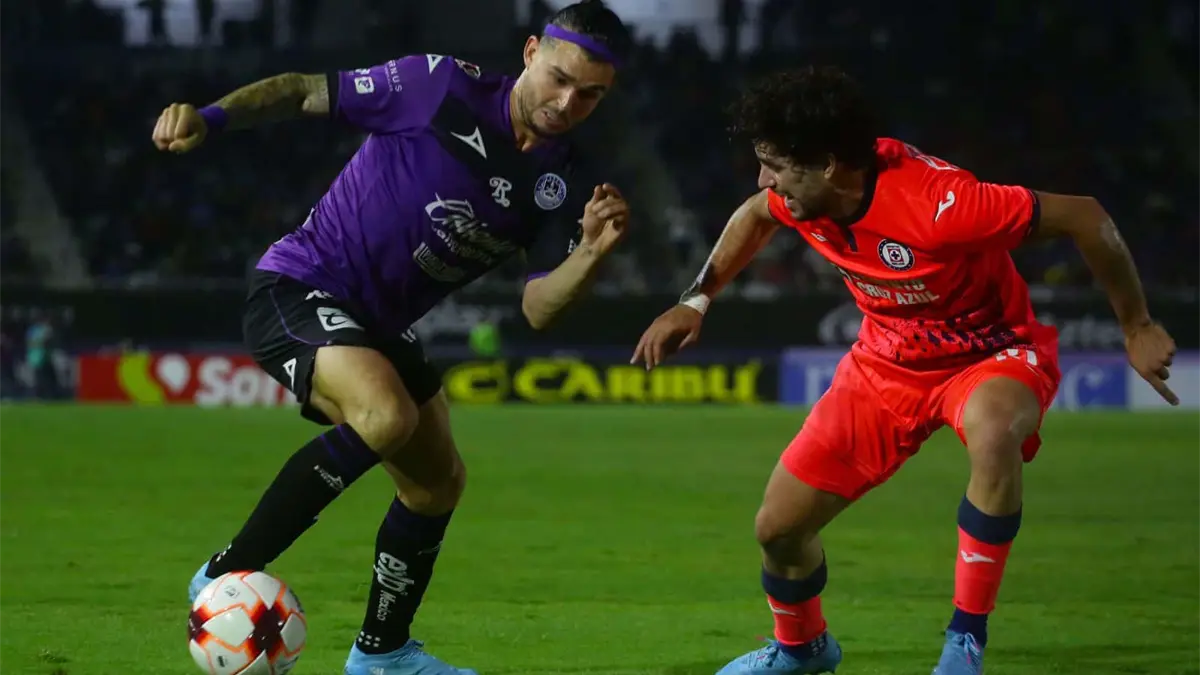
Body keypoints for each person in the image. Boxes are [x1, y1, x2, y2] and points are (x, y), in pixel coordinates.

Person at [632, 66, 1178, 675]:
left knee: (994, 432)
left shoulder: (943, 205)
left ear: (829, 164)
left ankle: (964, 643)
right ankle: (802, 649)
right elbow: (755, 214)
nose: (765, 181)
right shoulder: (800, 196)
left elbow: (1085, 215)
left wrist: (1136, 325)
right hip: (885, 364)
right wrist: (695, 300)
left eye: (774, 166)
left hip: (988, 353)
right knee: (778, 529)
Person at [151, 2, 632, 674]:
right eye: (559, 78)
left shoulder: (565, 180)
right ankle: (224, 573)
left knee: (437, 483)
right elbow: (302, 90)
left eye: (590, 95)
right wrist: (211, 117)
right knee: (385, 415)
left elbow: (537, 309)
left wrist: (590, 255)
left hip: (378, 327)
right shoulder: (437, 85)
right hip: (301, 284)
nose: (566, 103)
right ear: (530, 52)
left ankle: (382, 654)